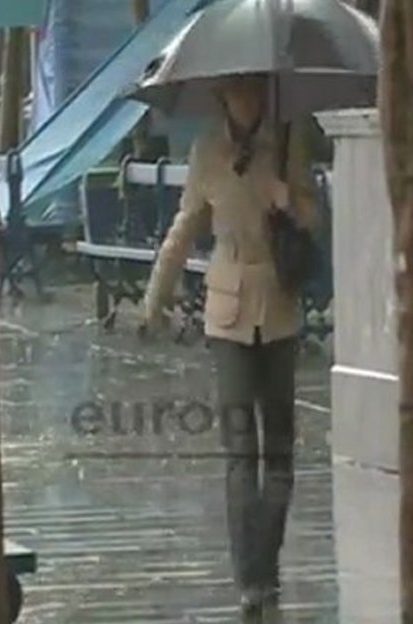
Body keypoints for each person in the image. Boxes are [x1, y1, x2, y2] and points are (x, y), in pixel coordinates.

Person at [140, 73, 318, 622]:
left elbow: (317, 220)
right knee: (241, 454)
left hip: (281, 309)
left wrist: (291, 201)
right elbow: (185, 225)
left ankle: (265, 563)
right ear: (222, 97)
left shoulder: (289, 141)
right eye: (237, 91)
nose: (248, 99)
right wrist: (156, 296)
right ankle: (253, 578)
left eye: (255, 89)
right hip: (228, 313)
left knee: (280, 456)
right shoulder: (208, 151)